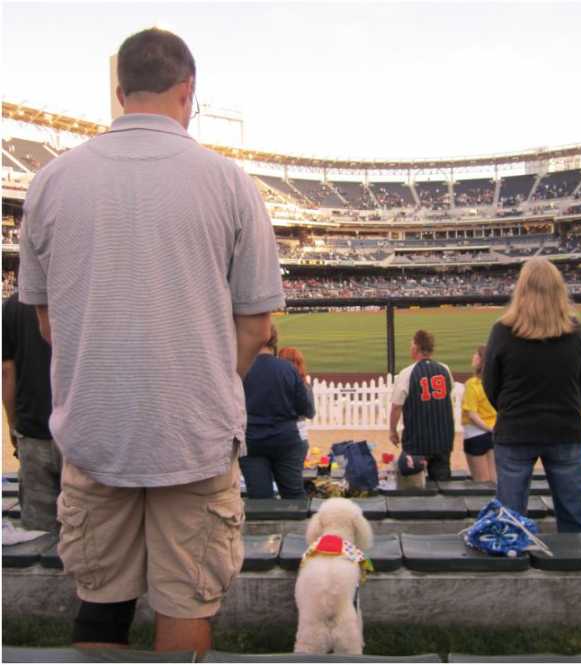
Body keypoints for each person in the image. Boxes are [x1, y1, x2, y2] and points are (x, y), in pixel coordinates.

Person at [18, 28, 284, 654]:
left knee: (99, 596)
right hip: (192, 434)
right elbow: (256, 326)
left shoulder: (51, 182)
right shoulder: (230, 182)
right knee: (187, 598)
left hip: (93, 429)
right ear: (188, 90)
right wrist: (205, 379)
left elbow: (48, 320)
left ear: (119, 91)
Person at [483, 258, 581, 533]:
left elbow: (491, 385)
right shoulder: (577, 332)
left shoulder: (502, 331)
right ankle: (575, 575)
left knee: (510, 520)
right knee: (572, 517)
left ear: (520, 290)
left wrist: (510, 409)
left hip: (516, 431)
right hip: (565, 430)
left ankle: (514, 571)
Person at [2, 292, 61, 532]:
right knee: (87, 539)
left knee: (39, 535)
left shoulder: (14, 305)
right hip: (78, 433)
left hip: (34, 429)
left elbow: (7, 372)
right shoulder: (84, 294)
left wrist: (13, 424)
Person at [241, 326, 314, 499]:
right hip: (286, 439)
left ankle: (263, 527)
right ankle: (297, 527)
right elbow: (305, 409)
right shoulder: (288, 369)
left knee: (260, 498)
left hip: (252, 441)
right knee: (293, 493)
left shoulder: (240, 368)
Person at [389, 330, 455, 481]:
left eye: (412, 344)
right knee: (442, 484)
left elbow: (396, 407)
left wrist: (392, 431)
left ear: (417, 347)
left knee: (413, 486)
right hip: (443, 439)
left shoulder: (407, 373)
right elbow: (448, 393)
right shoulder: (445, 369)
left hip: (416, 442)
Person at [462, 345, 497, 483]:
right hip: (494, 433)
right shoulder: (495, 383)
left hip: (476, 434)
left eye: (476, 355)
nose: (473, 357)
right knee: (494, 480)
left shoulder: (472, 384)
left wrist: (487, 428)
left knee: (481, 482)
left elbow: (472, 414)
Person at [278, 346, 314, 443]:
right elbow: (310, 413)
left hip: (275, 433)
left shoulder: (272, 384)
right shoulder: (305, 385)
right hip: (298, 433)